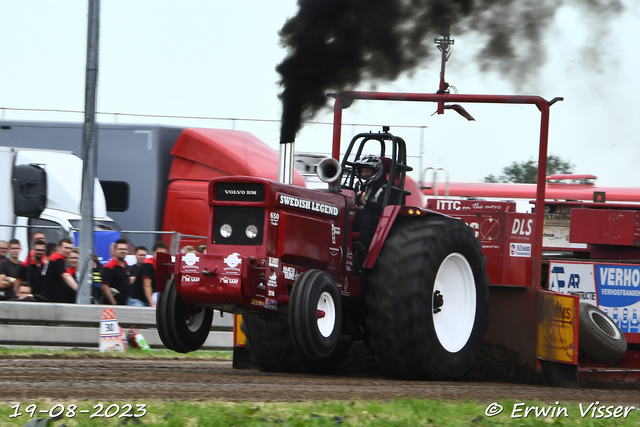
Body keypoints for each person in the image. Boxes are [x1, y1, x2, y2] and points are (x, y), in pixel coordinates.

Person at [353, 155, 387, 251]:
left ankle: (363, 247)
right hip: (360, 215)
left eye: (367, 171)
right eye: (362, 171)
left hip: (377, 220)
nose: (364, 174)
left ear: (376, 171)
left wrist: (365, 203)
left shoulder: (385, 187)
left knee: (368, 218)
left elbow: (383, 208)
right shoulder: (360, 185)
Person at [42, 238, 78, 303]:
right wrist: (78, 289)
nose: (68, 251)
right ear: (59, 248)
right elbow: (65, 275)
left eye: (70, 248)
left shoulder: (56, 258)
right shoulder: (57, 259)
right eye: (66, 248)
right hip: (51, 299)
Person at [101, 239, 131, 305]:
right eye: (120, 249)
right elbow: (105, 287)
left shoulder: (126, 265)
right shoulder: (109, 266)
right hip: (113, 306)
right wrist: (114, 303)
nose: (123, 251)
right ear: (115, 251)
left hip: (125, 303)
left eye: (125, 249)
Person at [139, 241, 168, 308]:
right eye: (160, 253)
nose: (162, 256)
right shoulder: (148, 265)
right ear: (154, 253)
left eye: (164, 254)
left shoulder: (160, 265)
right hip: (139, 300)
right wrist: (152, 304)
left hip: (147, 300)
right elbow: (146, 285)